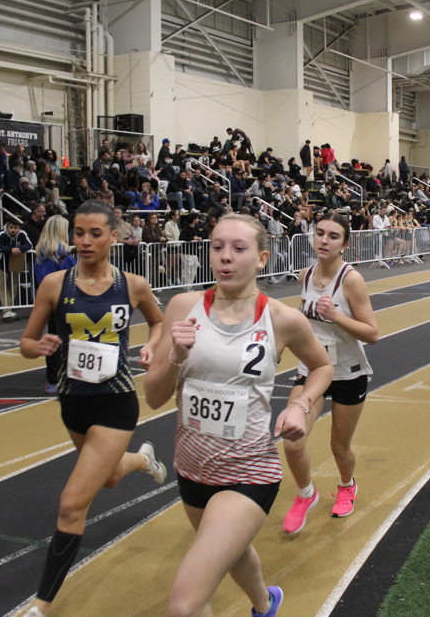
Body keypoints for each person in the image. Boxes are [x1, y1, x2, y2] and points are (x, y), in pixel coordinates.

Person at [143, 213, 333, 617]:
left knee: (185, 604)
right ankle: (266, 604)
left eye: (238, 248)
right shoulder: (183, 307)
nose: (225, 257)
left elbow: (321, 367)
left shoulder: (281, 319)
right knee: (234, 552)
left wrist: (300, 405)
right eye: (217, 247)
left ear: (262, 258)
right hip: (192, 468)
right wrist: (175, 355)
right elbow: (154, 397)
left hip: (249, 470)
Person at [19, 200, 167, 617]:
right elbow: (26, 343)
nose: (84, 241)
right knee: (110, 478)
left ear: (113, 237)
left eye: (94, 234)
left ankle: (41, 605)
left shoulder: (133, 285)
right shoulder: (55, 285)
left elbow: (158, 322)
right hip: (73, 403)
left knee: (71, 504)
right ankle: (141, 460)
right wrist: (39, 346)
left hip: (116, 402)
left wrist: (151, 346)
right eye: (79, 233)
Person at [281, 212, 378, 535]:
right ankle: (306, 493)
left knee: (339, 447)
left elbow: (372, 333)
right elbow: (305, 324)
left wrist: (337, 316)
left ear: (344, 245)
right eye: (320, 233)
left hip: (348, 372)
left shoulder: (351, 280)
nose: (324, 240)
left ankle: (347, 485)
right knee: (292, 439)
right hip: (311, 370)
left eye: (333, 236)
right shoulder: (305, 275)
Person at [33, 215, 76, 395]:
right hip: (64, 301)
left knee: (54, 340)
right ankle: (66, 377)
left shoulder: (41, 252)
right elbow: (74, 276)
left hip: (48, 302)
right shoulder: (62, 252)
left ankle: (52, 380)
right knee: (69, 342)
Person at [0, 218, 33, 322]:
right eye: (11, 227)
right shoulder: (2, 234)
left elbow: (29, 245)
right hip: (1, 266)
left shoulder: (22, 234)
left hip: (15, 266)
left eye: (15, 227)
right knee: (3, 289)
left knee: (13, 288)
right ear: (7, 227)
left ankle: (8, 310)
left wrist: (20, 249)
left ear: (19, 228)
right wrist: (10, 250)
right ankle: (7, 311)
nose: (13, 230)